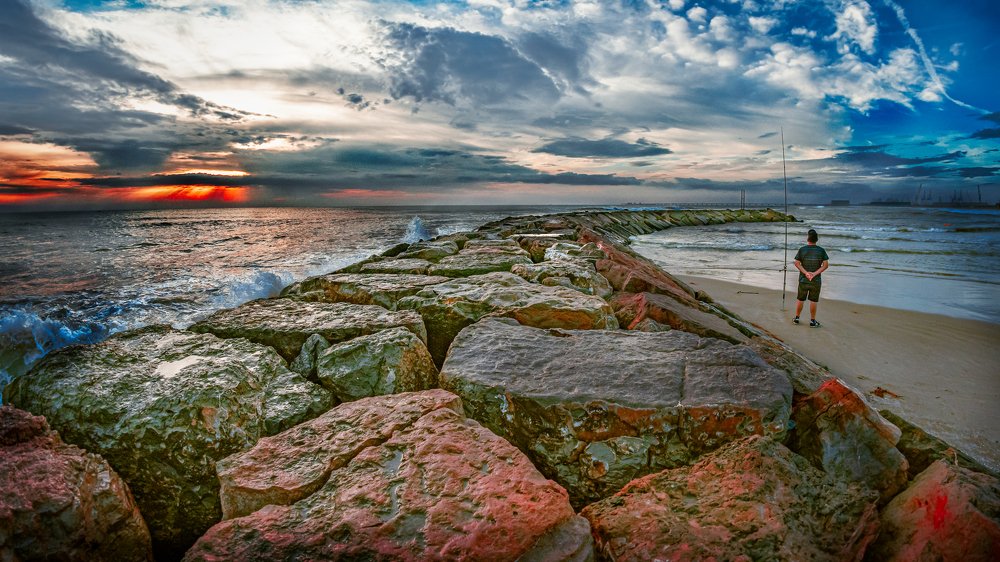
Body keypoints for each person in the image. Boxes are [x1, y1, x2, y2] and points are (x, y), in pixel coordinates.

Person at [792, 229, 829, 327]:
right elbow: (825, 265)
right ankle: (812, 321)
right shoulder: (821, 250)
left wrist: (806, 273)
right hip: (815, 280)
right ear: (816, 239)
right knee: (813, 300)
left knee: (800, 299)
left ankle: (796, 318)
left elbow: (796, 263)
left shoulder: (802, 249)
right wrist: (814, 274)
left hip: (803, 279)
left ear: (807, 238)